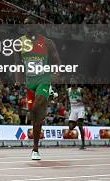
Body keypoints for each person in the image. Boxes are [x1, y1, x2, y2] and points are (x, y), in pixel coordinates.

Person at [16, 21, 61, 160]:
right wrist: (18, 79)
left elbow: (57, 61)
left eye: (30, 24)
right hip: (30, 83)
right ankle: (35, 149)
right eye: (25, 24)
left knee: (35, 108)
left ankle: (49, 90)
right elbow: (17, 63)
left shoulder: (47, 42)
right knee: (36, 119)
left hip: (43, 79)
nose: (27, 26)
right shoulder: (19, 42)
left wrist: (56, 74)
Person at [67, 85, 89, 149]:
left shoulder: (81, 90)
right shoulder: (68, 90)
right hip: (73, 109)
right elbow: (66, 98)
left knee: (80, 126)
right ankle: (78, 121)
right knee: (70, 127)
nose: (72, 82)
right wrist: (66, 105)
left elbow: (87, 100)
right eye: (71, 80)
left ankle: (83, 144)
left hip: (80, 109)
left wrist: (81, 100)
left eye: (74, 80)